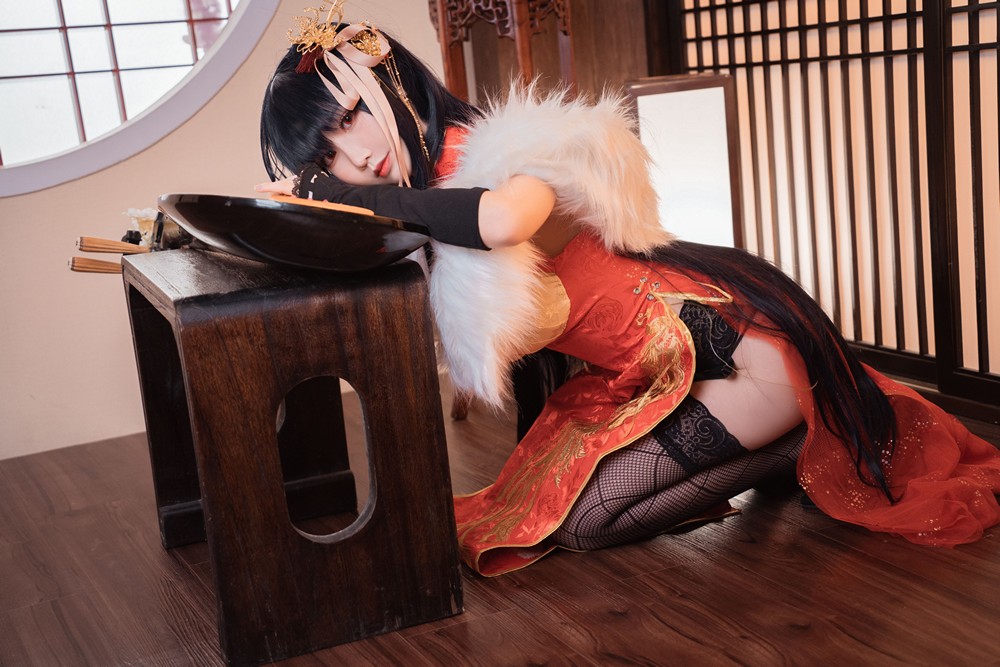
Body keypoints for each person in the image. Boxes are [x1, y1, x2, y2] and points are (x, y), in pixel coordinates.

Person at [256, 4, 1000, 576]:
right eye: (329, 152)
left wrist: (344, 198)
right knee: (531, 511)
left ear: (386, 82)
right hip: (664, 373)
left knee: (586, 524)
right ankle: (803, 429)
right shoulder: (423, 205)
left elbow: (504, 219)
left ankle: (805, 436)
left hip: (744, 351)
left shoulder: (496, 147)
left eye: (351, 115)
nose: (357, 152)